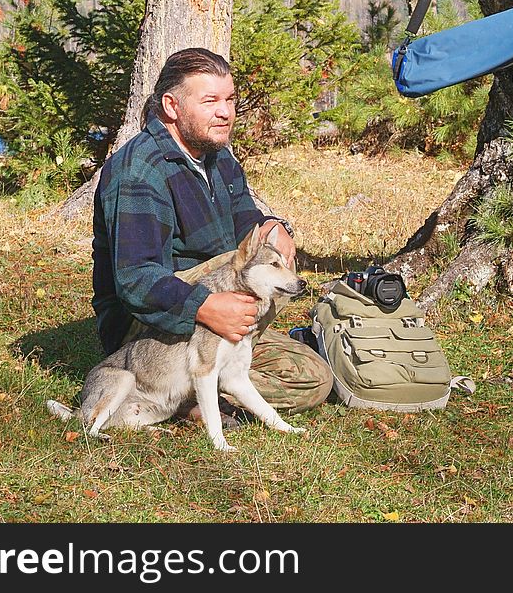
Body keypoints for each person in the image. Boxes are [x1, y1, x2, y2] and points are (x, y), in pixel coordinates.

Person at [91, 47, 332, 421]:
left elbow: (244, 221)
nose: (225, 112)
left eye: (230, 100)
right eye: (210, 101)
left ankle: (206, 385)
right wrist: (206, 307)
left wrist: (272, 226)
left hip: (211, 312)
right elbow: (136, 281)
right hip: (148, 332)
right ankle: (181, 390)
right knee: (245, 264)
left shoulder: (217, 156)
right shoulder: (139, 171)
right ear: (171, 106)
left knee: (314, 378)